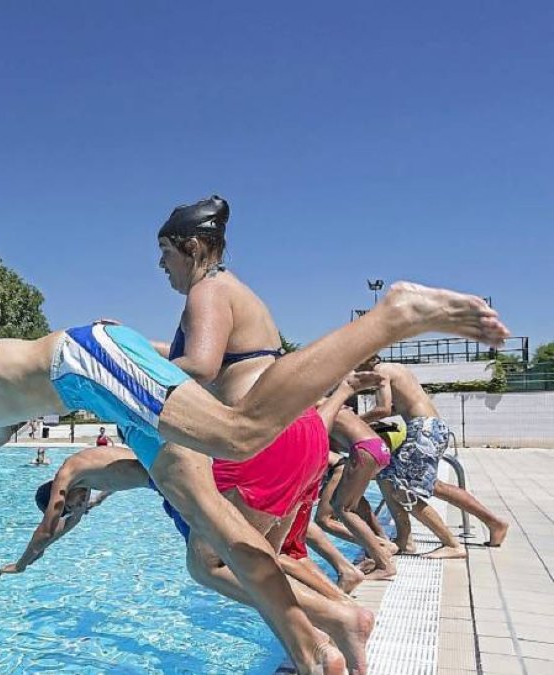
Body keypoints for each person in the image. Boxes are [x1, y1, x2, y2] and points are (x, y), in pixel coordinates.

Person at [0, 282, 506, 675]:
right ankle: (323, 645)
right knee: (214, 535)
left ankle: (392, 313)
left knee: (238, 434)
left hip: (84, 360)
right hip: (111, 402)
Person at [0, 445, 372, 669]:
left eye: (69, 506)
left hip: (183, 485)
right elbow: (73, 519)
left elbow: (47, 529)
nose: (76, 510)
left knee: (218, 568)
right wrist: (86, 509)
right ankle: (317, 630)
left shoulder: (70, 471)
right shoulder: (86, 483)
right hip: (174, 488)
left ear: (58, 495)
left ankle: (333, 620)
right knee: (259, 560)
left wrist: (23, 562)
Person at [153, 195, 334, 609]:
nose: (161, 264)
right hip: (300, 429)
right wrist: (127, 346)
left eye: (166, 252)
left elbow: (201, 366)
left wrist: (126, 379)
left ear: (191, 247)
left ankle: (341, 620)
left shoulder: (207, 291)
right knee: (265, 564)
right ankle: (322, 638)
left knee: (208, 563)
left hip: (263, 437)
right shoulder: (234, 290)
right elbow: (215, 355)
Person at [361, 359, 510, 557]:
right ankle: (405, 539)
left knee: (401, 489)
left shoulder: (381, 371)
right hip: (433, 428)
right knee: (388, 477)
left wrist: (354, 421)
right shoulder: (397, 368)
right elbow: (401, 405)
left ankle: (451, 544)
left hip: (422, 430)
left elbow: (383, 409)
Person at [327, 408, 396, 579]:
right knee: (349, 503)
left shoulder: (318, 409)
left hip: (364, 449)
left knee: (343, 509)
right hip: (378, 446)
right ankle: (380, 545)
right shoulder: (334, 406)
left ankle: (384, 564)